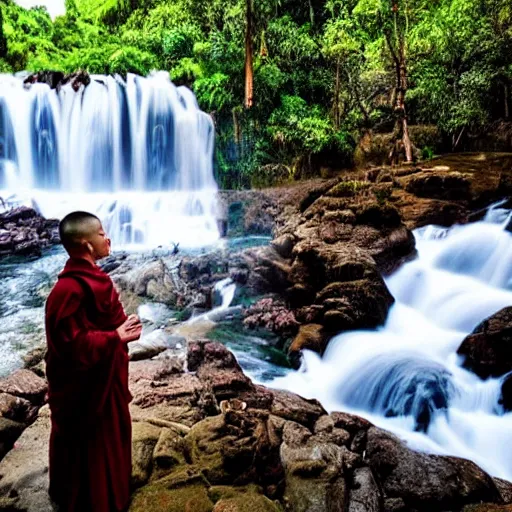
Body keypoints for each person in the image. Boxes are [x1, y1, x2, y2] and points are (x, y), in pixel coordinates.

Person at [45, 211, 142, 512]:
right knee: (91, 441)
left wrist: (123, 328)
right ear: (87, 245)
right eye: (101, 233)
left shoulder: (95, 279)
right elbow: (71, 346)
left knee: (112, 433)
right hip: (82, 391)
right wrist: (116, 336)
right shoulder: (67, 291)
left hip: (103, 377)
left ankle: (112, 492)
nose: (108, 237)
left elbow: (101, 323)